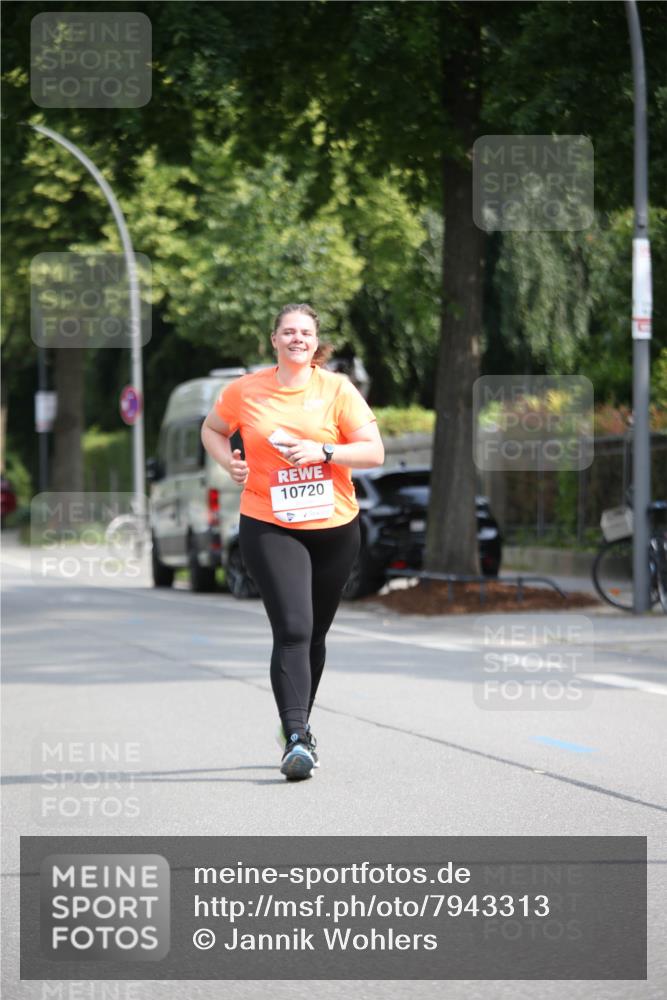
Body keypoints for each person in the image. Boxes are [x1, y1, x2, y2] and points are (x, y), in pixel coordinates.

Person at [201, 303, 384, 780]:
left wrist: (324, 450)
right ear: (274, 340)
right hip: (269, 521)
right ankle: (298, 738)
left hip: (334, 526)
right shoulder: (245, 391)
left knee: (315, 635)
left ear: (315, 341)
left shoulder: (337, 390)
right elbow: (211, 429)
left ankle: (296, 721)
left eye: (305, 332)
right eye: (288, 332)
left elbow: (373, 450)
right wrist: (230, 463)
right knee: (294, 629)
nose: (297, 339)